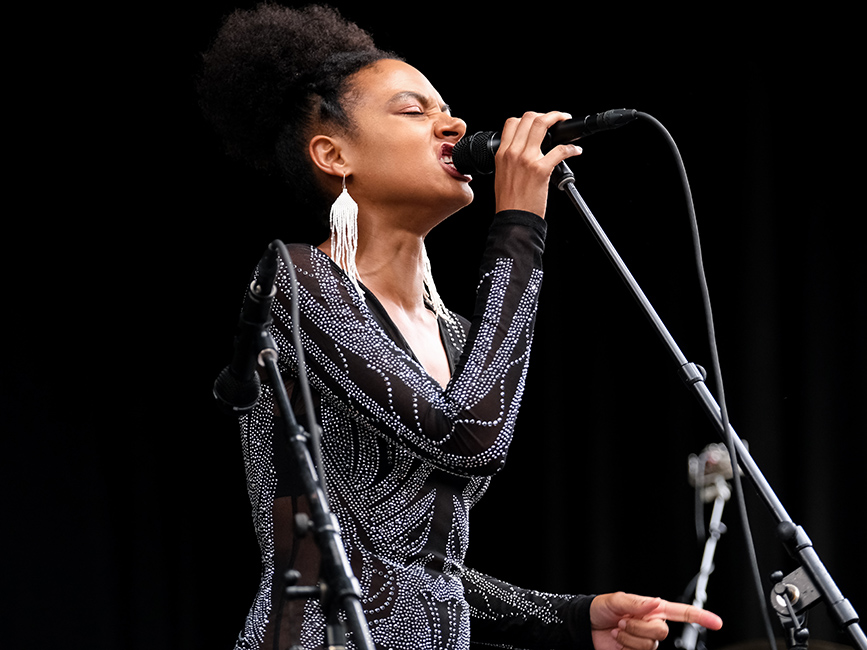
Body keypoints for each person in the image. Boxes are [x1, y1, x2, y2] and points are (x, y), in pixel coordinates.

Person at [198, 4, 724, 649]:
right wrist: (520, 229)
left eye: (446, 108)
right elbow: (468, 439)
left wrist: (575, 618)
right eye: (414, 110)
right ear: (333, 154)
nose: (453, 124)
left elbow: (420, 573)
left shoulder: (455, 334)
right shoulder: (298, 285)